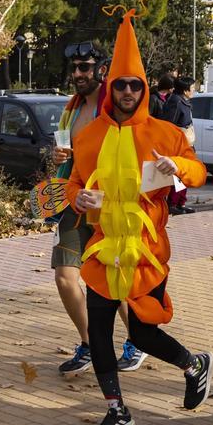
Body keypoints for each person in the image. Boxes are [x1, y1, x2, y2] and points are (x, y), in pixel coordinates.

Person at [64, 8, 213, 425]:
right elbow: (74, 183)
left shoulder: (165, 132)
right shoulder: (88, 135)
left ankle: (194, 364)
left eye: (135, 85)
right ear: (110, 88)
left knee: (145, 332)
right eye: (121, 85)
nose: (128, 91)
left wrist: (180, 164)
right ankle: (116, 410)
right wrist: (79, 197)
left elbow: (201, 174)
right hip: (102, 247)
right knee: (99, 331)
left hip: (147, 250)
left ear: (144, 90)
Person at [51, 41, 148, 375]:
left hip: (110, 207)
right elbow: (68, 152)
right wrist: (59, 157)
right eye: (74, 68)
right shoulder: (72, 108)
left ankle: (137, 340)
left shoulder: (115, 105)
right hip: (75, 201)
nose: (78, 74)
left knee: (112, 278)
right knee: (65, 277)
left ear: (101, 69)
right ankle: (90, 343)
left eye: (85, 67)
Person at [161, 76, 197, 215]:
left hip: (187, 144)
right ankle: (173, 203)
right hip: (177, 146)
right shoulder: (175, 102)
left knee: (185, 174)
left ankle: (180, 202)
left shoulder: (184, 101)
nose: (194, 90)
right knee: (178, 175)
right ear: (185, 90)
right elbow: (168, 125)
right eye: (192, 88)